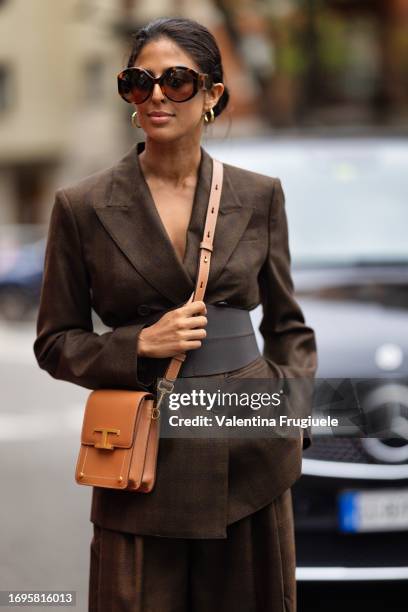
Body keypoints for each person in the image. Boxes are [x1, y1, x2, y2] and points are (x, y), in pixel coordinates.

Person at [33, 16, 317, 612]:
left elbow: (289, 327)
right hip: (141, 461)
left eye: (178, 81)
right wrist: (137, 345)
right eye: (139, 81)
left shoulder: (260, 195)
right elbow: (55, 341)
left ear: (213, 94)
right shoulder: (81, 206)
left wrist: (288, 417)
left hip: (250, 452)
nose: (157, 95)